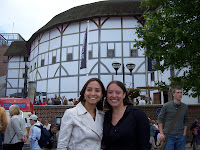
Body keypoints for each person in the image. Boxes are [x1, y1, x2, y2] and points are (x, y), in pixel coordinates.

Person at [57, 78, 106, 150]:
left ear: (102, 95)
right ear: (84, 93)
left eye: (97, 90)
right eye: (89, 90)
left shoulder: (102, 116)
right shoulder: (71, 113)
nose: (93, 93)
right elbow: (62, 145)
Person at [102, 80, 151, 150]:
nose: (114, 95)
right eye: (110, 92)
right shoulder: (106, 116)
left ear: (124, 95)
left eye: (118, 92)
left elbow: (144, 145)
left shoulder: (137, 115)